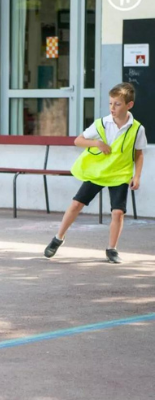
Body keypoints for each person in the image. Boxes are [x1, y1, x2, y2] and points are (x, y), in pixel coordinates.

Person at [44, 83, 146, 264]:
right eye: (110, 103)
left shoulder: (137, 129)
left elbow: (138, 154)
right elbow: (78, 141)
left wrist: (136, 176)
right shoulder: (101, 124)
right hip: (97, 172)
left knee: (118, 213)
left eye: (117, 104)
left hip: (120, 174)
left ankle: (112, 249)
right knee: (76, 204)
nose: (112, 108)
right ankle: (58, 237)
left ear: (129, 105)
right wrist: (97, 143)